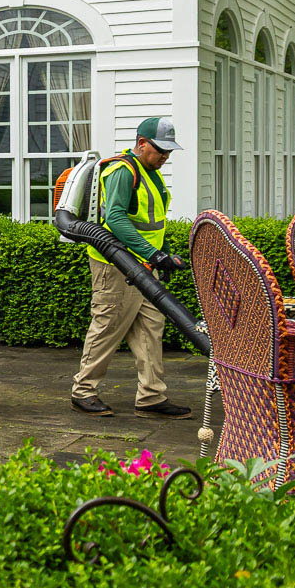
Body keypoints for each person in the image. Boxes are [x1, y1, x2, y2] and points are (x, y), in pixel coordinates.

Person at [71, 116, 193, 417]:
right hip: (115, 266)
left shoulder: (151, 172)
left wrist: (162, 254)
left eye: (169, 152)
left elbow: (153, 222)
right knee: (108, 325)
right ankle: (83, 391)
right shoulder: (122, 171)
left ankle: (151, 396)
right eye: (160, 150)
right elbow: (115, 219)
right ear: (142, 144)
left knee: (151, 327)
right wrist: (153, 253)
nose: (165, 156)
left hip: (144, 266)